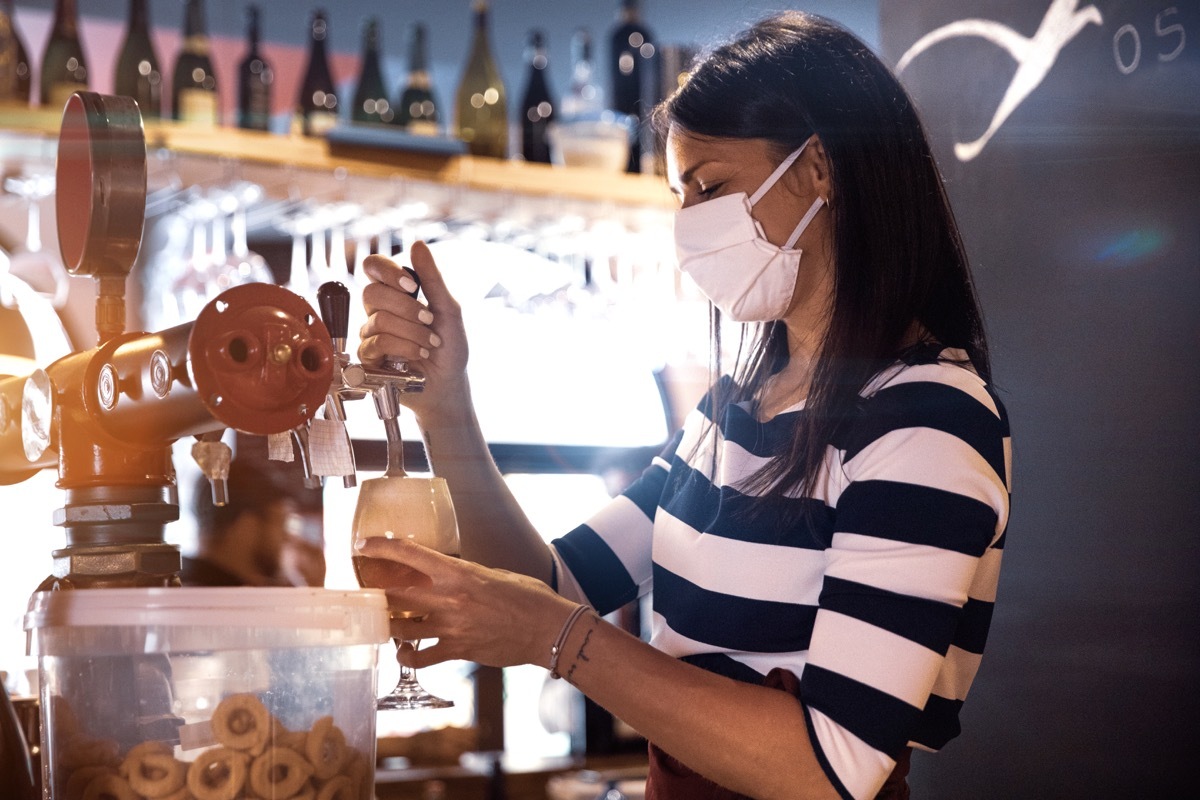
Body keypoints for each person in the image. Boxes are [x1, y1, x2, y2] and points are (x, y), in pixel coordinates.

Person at [353, 11, 1011, 800]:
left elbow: (834, 764)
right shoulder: (730, 413)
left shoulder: (926, 419)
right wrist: (447, 410)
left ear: (822, 170)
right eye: (679, 195)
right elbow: (557, 585)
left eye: (709, 187)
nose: (689, 224)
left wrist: (554, 639)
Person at [181, 456, 326, 588]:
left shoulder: (185, 586)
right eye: (281, 524)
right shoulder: (227, 602)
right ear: (246, 524)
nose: (287, 538)